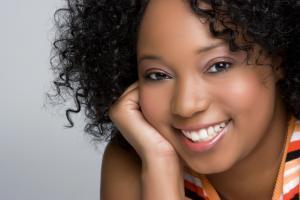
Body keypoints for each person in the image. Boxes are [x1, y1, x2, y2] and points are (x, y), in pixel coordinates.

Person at [51, 0, 300, 199]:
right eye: (158, 75)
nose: (186, 105)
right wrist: (160, 165)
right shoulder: (135, 161)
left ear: (277, 59)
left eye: (218, 66)